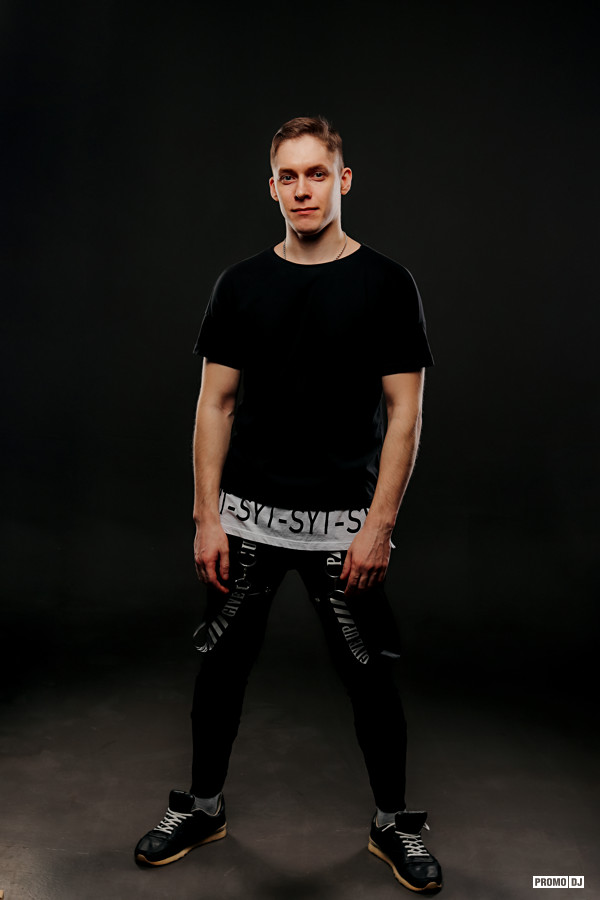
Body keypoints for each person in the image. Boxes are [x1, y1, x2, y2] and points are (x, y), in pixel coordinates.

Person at [134, 115, 443, 893]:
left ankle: (393, 823)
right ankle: (203, 807)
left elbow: (405, 413)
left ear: (343, 180)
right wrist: (206, 515)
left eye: (317, 173)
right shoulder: (241, 285)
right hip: (246, 519)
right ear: (272, 187)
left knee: (370, 678)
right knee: (220, 669)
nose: (303, 189)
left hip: (344, 524)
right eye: (288, 176)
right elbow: (215, 405)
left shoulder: (386, 283)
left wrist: (380, 525)